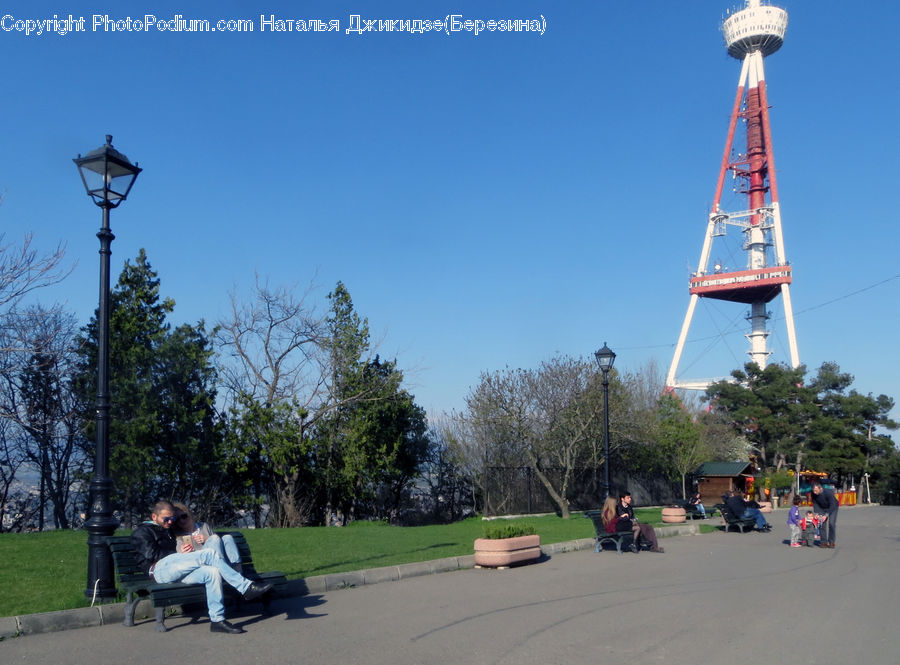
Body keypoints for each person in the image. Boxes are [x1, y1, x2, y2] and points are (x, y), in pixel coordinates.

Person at [131, 500, 273, 634]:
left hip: (177, 568)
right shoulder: (142, 532)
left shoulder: (168, 529)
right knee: (209, 554)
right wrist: (178, 552)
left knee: (212, 572)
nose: (170, 522)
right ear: (154, 516)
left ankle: (217, 620)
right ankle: (245, 587)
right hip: (159, 569)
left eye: (172, 519)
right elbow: (152, 554)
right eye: (166, 519)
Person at [172, 502, 242, 572]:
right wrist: (182, 551)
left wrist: (207, 539)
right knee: (214, 538)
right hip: (205, 565)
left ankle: (238, 570)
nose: (181, 520)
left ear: (189, 514)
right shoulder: (180, 536)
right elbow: (179, 553)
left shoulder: (204, 526)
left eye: (183, 516)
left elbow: (218, 544)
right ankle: (224, 570)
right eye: (177, 519)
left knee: (227, 538)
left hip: (220, 558)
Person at [810, 481, 838, 548]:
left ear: (820, 488)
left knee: (831, 523)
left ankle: (831, 541)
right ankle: (823, 542)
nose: (814, 492)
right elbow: (815, 503)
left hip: (832, 508)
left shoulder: (828, 493)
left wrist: (826, 515)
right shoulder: (813, 493)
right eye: (813, 490)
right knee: (821, 523)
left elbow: (832, 504)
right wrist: (816, 513)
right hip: (821, 508)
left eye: (816, 490)